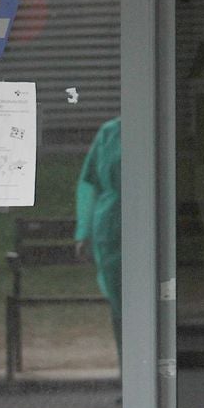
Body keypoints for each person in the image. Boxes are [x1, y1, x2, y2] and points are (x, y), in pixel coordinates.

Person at [74, 116, 122, 359]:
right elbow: (89, 183)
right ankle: (129, 379)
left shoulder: (159, 124)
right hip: (112, 231)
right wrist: (85, 232)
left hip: (144, 225)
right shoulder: (109, 133)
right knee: (119, 308)